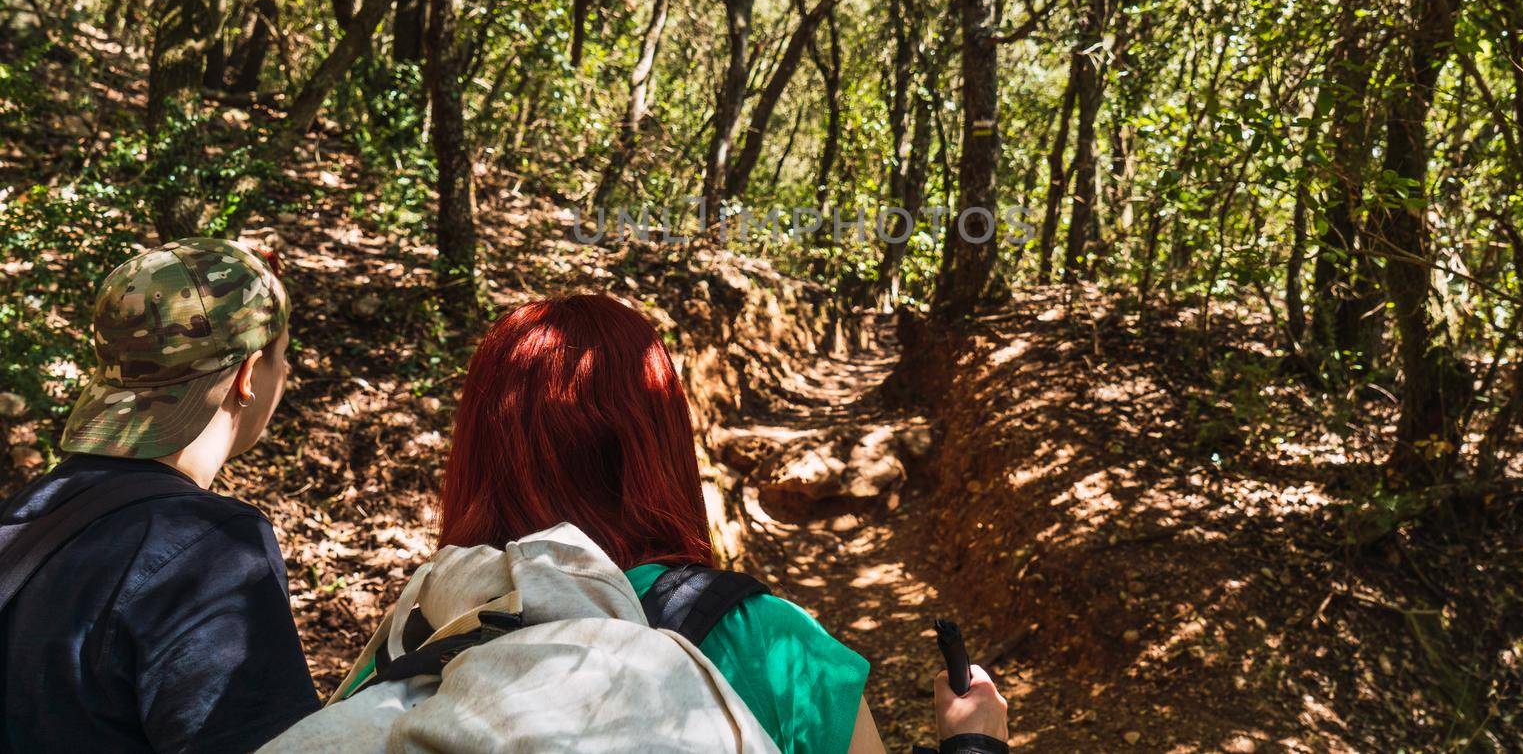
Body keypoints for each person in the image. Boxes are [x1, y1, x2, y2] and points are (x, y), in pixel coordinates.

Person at [419, 293, 1008, 754]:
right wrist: (972, 741)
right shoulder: (772, 644)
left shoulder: (421, 631)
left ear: (477, 452)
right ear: (658, 447)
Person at [0, 238, 320, 753]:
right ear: (246, 375)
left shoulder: (23, 518)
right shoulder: (210, 550)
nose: (286, 372)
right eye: (282, 356)